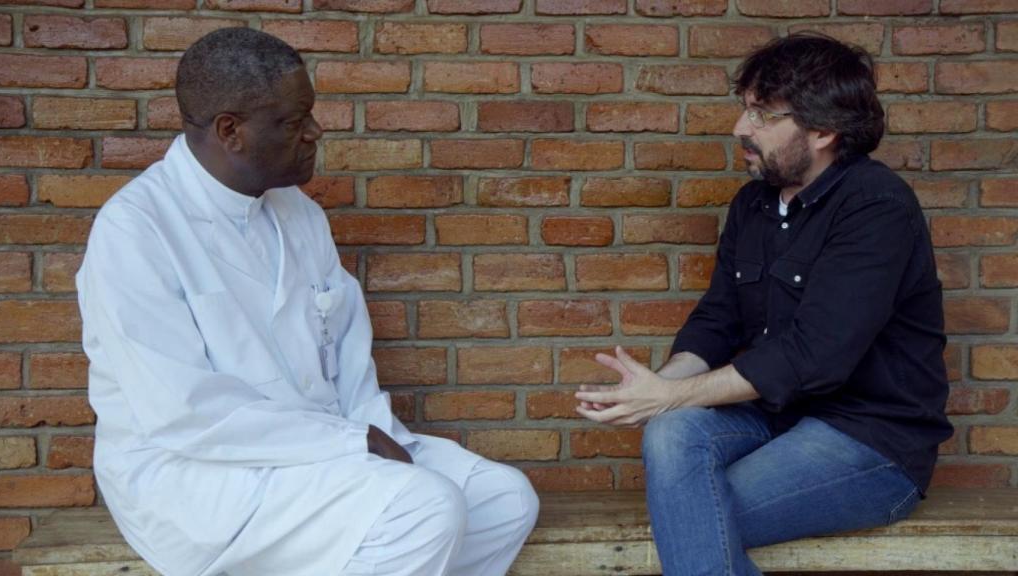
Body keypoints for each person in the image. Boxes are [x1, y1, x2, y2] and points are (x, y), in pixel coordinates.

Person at [77, 27, 538, 576]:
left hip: (321, 448)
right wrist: (351, 443)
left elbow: (348, 354)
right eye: (295, 122)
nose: (316, 132)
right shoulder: (137, 229)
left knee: (505, 500)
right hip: (197, 475)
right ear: (232, 131)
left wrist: (372, 437)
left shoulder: (299, 214)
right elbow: (185, 414)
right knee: (423, 508)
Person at [575, 33, 952, 576]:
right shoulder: (753, 204)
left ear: (823, 130)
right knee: (672, 430)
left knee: (691, 513)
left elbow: (813, 353)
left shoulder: (876, 206)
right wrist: (656, 391)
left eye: (761, 115)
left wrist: (672, 396)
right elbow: (718, 319)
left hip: (870, 442)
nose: (739, 129)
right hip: (773, 421)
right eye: (744, 109)